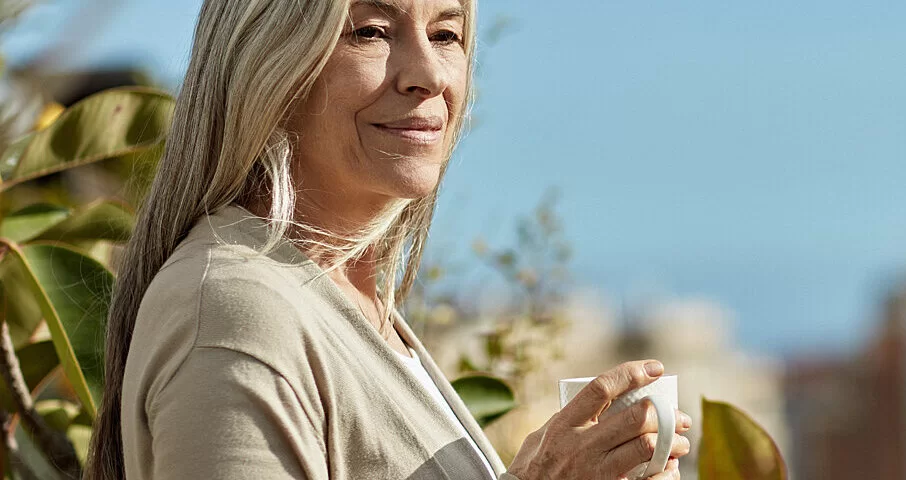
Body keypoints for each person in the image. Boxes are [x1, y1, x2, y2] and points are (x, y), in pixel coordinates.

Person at [83, 0, 691, 478]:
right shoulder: (235, 314)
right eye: (371, 31)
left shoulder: (343, 302)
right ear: (265, 58)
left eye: (446, 35)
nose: (427, 75)